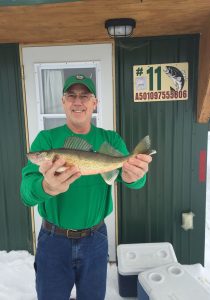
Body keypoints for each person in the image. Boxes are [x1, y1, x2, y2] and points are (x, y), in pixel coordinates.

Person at [20, 74, 152, 300]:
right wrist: (45, 186)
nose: (77, 101)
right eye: (71, 95)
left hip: (95, 240)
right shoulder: (47, 139)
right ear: (63, 102)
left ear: (94, 103)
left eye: (84, 96)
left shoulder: (110, 140)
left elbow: (135, 181)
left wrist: (134, 175)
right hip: (53, 242)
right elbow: (26, 193)